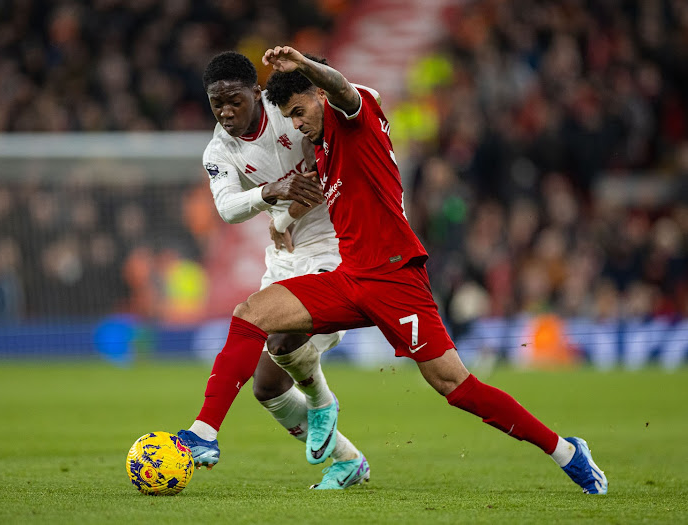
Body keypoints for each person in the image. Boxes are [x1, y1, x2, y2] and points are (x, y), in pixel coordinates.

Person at [181, 46, 608, 495]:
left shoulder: (355, 118)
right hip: (349, 279)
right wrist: (282, 220)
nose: (296, 124)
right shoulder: (321, 148)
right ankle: (205, 434)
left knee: (455, 386)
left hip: (396, 278)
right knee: (251, 314)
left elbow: (344, 89)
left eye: (300, 112)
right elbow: (314, 196)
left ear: (318, 95)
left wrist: (307, 67)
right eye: (288, 117)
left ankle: (565, 450)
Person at [177, 51, 370, 490]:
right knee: (267, 387)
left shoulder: (290, 113)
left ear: (256, 93)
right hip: (285, 256)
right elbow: (227, 207)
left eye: (234, 100)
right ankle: (348, 460)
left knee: (282, 335)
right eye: (216, 103)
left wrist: (283, 214)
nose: (226, 111)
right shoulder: (218, 149)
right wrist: (272, 194)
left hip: (338, 247)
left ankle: (312, 403)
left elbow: (332, 174)